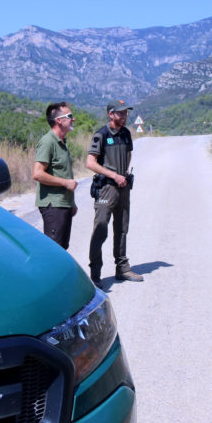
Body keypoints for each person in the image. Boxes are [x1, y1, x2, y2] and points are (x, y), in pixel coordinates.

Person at [86, 99, 142, 287]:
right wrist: (113, 175)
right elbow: (90, 163)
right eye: (121, 113)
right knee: (101, 228)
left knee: (122, 229)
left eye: (126, 113)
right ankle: (95, 274)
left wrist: (124, 174)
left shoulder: (126, 133)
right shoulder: (101, 135)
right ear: (111, 114)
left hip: (123, 187)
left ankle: (122, 268)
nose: (125, 116)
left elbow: (128, 154)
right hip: (106, 189)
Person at [33, 102, 77, 249]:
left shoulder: (62, 142)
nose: (73, 119)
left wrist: (72, 203)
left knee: (62, 248)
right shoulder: (47, 142)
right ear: (59, 120)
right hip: (53, 205)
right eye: (70, 116)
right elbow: (38, 174)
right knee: (54, 250)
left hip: (64, 204)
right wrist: (65, 183)